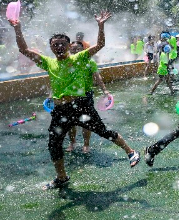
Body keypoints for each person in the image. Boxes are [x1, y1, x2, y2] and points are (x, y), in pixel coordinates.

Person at [8, 12, 140, 189]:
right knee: (54, 144)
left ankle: (131, 152)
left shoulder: (80, 57)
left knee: (103, 131)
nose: (59, 47)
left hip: (81, 107)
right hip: (60, 110)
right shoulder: (48, 63)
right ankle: (61, 177)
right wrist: (17, 28)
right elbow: (24, 50)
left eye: (63, 44)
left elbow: (100, 44)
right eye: (56, 45)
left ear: (69, 46)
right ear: (51, 48)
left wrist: (100, 26)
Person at [67, 40, 111, 154]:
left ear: (83, 50)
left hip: (86, 95)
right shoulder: (66, 63)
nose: (75, 50)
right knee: (71, 122)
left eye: (78, 49)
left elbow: (97, 77)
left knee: (86, 121)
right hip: (69, 96)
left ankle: (86, 144)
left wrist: (105, 90)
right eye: (73, 48)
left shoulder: (89, 62)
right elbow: (58, 81)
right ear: (69, 50)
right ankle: (72, 143)